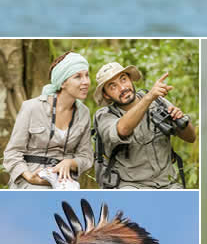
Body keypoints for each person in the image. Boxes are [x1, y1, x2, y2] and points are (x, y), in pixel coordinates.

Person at [93, 61, 196, 189]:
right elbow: (123, 129)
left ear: (130, 79)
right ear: (106, 95)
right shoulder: (104, 116)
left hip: (168, 184)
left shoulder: (158, 102)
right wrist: (149, 97)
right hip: (129, 186)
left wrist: (181, 121)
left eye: (123, 79)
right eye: (112, 86)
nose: (122, 88)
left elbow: (191, 137)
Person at [4, 51, 93, 190]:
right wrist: (29, 177)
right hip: (30, 181)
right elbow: (12, 153)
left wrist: (70, 163)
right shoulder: (31, 108)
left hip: (64, 182)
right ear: (62, 82)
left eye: (87, 75)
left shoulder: (84, 113)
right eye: (78, 77)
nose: (86, 81)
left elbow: (86, 157)